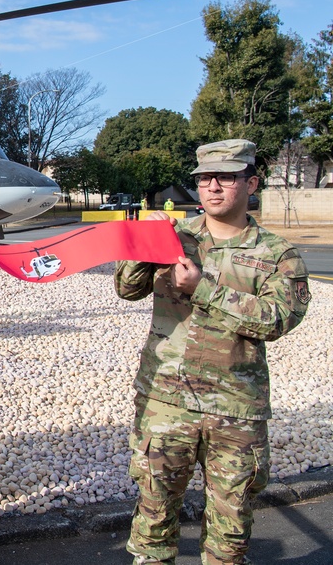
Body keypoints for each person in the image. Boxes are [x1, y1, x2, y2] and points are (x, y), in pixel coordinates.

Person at [115, 139, 310, 565]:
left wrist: (202, 288)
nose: (213, 187)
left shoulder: (278, 254)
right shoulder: (175, 238)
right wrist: (142, 243)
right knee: (153, 526)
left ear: (251, 182)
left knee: (230, 533)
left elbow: (278, 320)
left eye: (226, 177)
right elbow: (127, 290)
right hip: (166, 402)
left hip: (236, 409)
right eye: (205, 178)